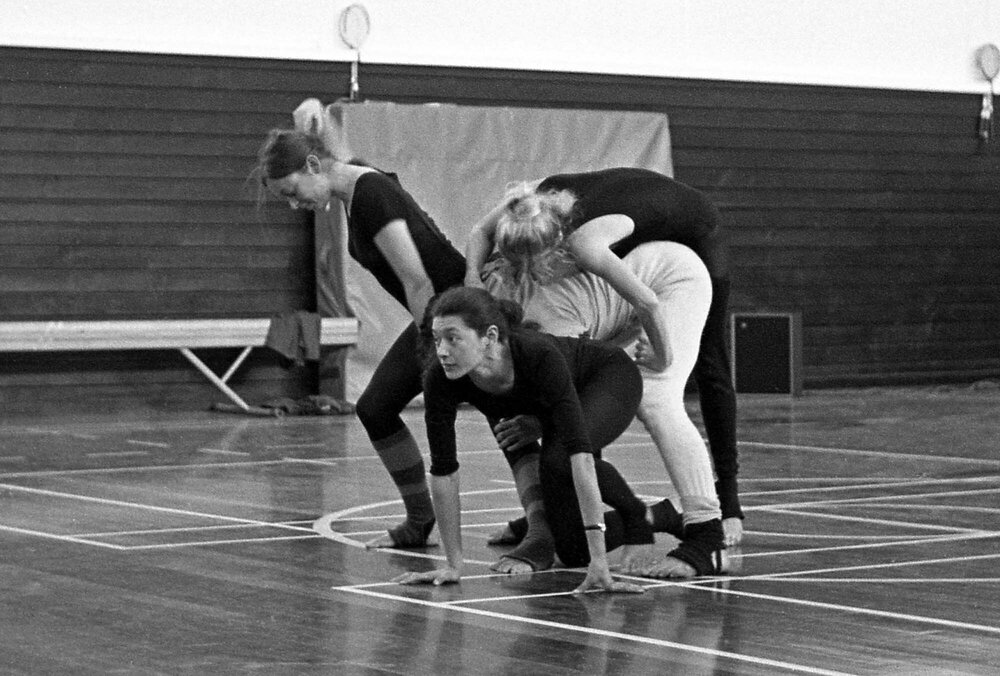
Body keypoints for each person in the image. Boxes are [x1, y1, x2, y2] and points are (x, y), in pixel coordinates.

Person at [465, 167, 744, 549]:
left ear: (558, 242)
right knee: (587, 381)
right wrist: (470, 277)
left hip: (685, 245)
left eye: (536, 264)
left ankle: (712, 516)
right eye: (515, 263)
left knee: (661, 391)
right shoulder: (524, 207)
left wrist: (663, 356)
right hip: (630, 273)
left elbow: (646, 300)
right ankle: (585, 510)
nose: (526, 273)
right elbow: (480, 233)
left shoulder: (586, 245)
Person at [257, 100, 465, 548]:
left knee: (508, 412)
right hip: (437, 313)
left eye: (293, 191)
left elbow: (417, 279)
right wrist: (311, 119)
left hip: (457, 314)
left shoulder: (370, 195)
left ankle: (540, 527)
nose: (295, 205)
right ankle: (420, 518)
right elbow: (333, 149)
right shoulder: (354, 181)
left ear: (313, 165)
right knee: (375, 407)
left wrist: (437, 351)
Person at [394, 286, 680, 590]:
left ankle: (636, 516)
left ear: (489, 337)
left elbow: (579, 457)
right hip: (557, 402)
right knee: (572, 551)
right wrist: (453, 565)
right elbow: (444, 473)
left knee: (558, 460)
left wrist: (600, 564)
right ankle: (662, 514)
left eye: (453, 339)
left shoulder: (537, 355)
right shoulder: (441, 378)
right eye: (438, 340)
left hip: (609, 378)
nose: (442, 351)